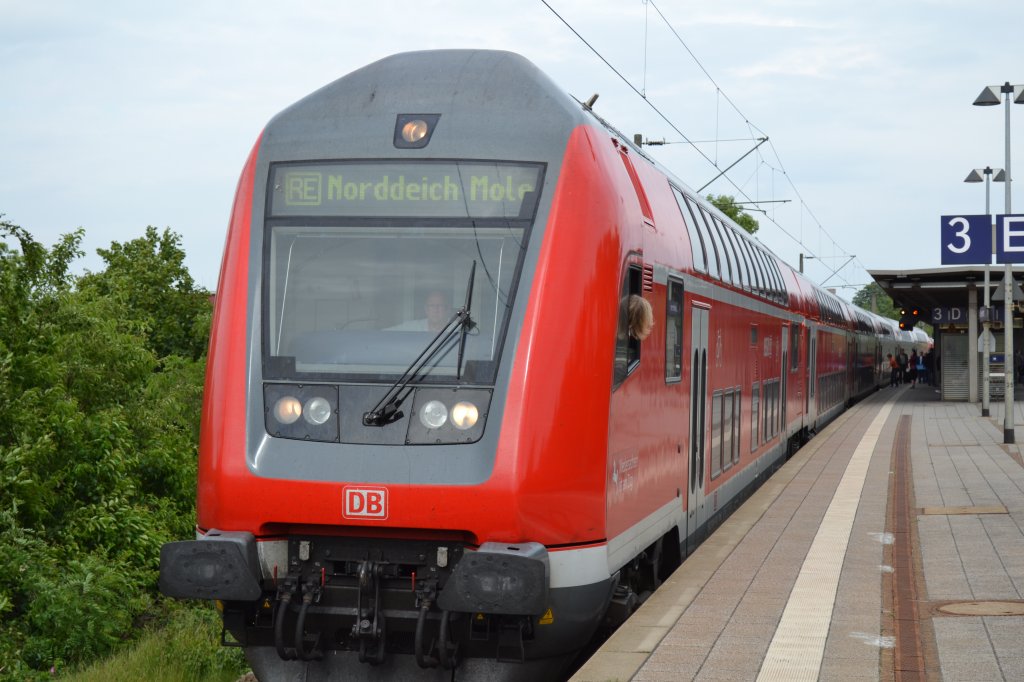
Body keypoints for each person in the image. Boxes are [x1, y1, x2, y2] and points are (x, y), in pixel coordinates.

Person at [387, 290, 452, 332]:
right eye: (432, 306)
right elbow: (385, 333)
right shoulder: (414, 327)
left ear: (447, 309)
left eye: (440, 305)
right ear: (426, 310)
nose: (435, 310)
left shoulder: (457, 329)